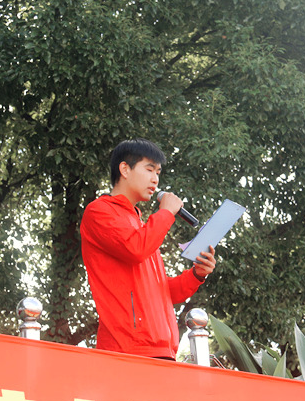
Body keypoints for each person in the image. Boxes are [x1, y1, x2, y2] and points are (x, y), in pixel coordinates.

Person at [80, 139, 216, 359]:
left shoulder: (141, 227)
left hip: (163, 351)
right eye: (149, 169)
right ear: (125, 169)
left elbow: (162, 291)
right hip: (127, 351)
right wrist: (166, 213)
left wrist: (197, 274)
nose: (155, 179)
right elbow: (136, 249)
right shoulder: (100, 212)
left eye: (158, 172)